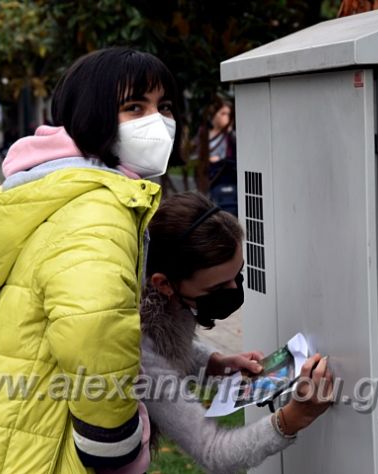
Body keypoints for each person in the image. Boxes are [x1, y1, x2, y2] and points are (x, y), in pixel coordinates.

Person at [0, 47, 183, 473]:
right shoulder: (97, 208)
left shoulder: (49, 188)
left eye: (164, 107)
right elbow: (94, 328)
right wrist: (114, 445)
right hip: (38, 446)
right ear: (91, 115)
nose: (157, 122)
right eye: (133, 107)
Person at [140, 191, 332, 473]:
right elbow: (214, 451)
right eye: (216, 289)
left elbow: (167, 346)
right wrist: (295, 416)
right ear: (163, 284)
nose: (233, 292)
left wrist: (212, 363)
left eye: (237, 276)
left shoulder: (169, 299)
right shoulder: (137, 351)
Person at [204, 98, 238, 216]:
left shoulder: (231, 136)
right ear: (214, 115)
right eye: (223, 113)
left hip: (228, 180)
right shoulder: (205, 134)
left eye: (228, 114)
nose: (226, 117)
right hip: (211, 182)